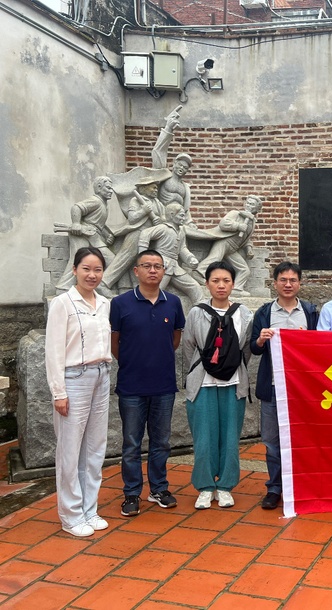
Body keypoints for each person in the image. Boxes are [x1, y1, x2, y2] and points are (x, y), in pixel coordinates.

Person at [110, 250, 185, 517]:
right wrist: (133, 361)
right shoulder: (120, 303)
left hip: (163, 385)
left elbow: (175, 338)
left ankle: (159, 488)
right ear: (136, 271)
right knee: (131, 443)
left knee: (161, 442)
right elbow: (115, 342)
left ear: (164, 271)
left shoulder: (173, 302)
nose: (153, 270)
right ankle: (131, 493)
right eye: (147, 266)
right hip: (131, 386)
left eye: (158, 266)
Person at [45, 247, 112, 537]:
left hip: (102, 375)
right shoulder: (63, 303)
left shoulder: (104, 303)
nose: (92, 275)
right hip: (74, 378)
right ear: (74, 270)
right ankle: (71, 516)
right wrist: (58, 392)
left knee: (95, 448)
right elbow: (53, 350)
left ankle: (89, 509)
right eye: (86, 268)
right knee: (70, 450)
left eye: (97, 270)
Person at [183, 260, 253, 510]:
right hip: (203, 383)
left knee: (230, 437)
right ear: (207, 284)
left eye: (226, 281)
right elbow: (189, 347)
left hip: (234, 383)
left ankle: (225, 486)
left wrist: (229, 365)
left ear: (233, 284)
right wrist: (197, 371)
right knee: (203, 437)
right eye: (215, 281)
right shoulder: (196, 312)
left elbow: (246, 349)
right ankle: (204, 487)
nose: (221, 285)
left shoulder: (244, 314)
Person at [251, 261, 319, 510]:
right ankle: (274, 488)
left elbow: (319, 348)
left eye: (293, 280)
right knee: (272, 441)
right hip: (273, 387)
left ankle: (300, 485)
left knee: (303, 438)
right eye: (283, 280)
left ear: (300, 283)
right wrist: (261, 339)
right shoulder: (264, 313)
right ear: (275, 283)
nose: (288, 284)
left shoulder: (310, 312)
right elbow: (253, 348)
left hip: (301, 390)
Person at [54, 176, 116, 292]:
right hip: (81, 235)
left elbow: (98, 223)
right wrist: (76, 223)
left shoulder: (103, 204)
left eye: (111, 188)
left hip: (93, 235)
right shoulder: (96, 201)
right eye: (108, 188)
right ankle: (63, 288)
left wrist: (107, 235)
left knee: (108, 260)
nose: (111, 191)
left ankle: (100, 286)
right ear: (99, 188)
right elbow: (76, 207)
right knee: (78, 260)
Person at [195, 195, 264, 296]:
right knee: (215, 258)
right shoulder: (235, 213)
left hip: (233, 249)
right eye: (248, 203)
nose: (249, 205)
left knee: (244, 269)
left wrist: (249, 248)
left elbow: (246, 238)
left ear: (257, 209)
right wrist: (238, 226)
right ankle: (198, 273)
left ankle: (237, 289)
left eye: (252, 204)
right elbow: (223, 224)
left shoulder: (252, 222)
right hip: (225, 242)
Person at [137, 203, 203, 304]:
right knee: (155, 292)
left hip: (175, 268)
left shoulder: (181, 231)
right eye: (181, 215)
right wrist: (144, 258)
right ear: (172, 215)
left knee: (195, 287)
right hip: (161, 266)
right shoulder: (164, 228)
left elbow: (182, 249)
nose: (184, 218)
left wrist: (190, 258)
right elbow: (145, 234)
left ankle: (200, 311)